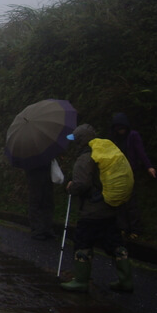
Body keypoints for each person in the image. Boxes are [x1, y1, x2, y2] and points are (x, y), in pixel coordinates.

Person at [61, 124, 133, 293]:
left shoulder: (84, 159)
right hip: (109, 207)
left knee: (83, 243)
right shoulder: (104, 153)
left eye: (75, 140)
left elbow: (82, 184)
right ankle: (126, 280)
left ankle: (80, 281)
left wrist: (71, 187)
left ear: (79, 141)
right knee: (114, 242)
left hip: (91, 211)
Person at [110, 112, 156, 239]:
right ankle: (123, 228)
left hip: (130, 172)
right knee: (120, 202)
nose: (121, 130)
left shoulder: (133, 136)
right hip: (118, 173)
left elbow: (140, 152)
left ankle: (135, 229)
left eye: (122, 127)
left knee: (131, 201)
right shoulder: (114, 139)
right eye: (118, 128)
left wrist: (149, 166)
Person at [25, 162, 56, 240]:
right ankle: (37, 230)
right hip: (35, 176)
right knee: (36, 202)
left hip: (46, 174)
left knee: (48, 202)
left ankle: (47, 228)